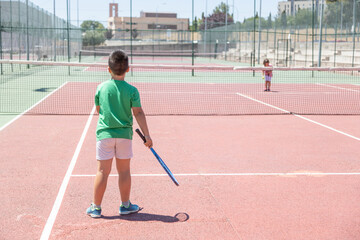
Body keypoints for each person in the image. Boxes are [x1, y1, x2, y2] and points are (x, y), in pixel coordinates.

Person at [86, 50, 153, 218]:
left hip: (104, 135)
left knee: (102, 171)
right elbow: (138, 113)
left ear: (108, 69)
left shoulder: (101, 87)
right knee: (124, 171)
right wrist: (147, 136)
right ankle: (125, 206)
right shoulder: (132, 90)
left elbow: (99, 109)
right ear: (128, 69)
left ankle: (96, 208)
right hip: (124, 136)